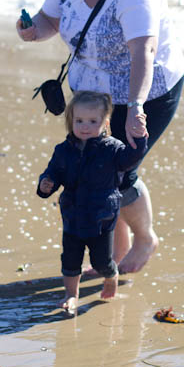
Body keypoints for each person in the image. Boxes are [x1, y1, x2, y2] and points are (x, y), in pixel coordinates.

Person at [17, 0, 184, 274]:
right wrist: (31, 32)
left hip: (147, 88)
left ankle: (145, 239)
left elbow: (143, 52)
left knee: (121, 170)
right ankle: (115, 249)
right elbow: (49, 21)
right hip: (94, 89)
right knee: (97, 165)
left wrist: (136, 108)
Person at [36, 90, 147, 312]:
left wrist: (140, 137)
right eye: (79, 121)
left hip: (101, 218)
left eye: (92, 121)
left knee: (101, 261)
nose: (85, 126)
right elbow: (53, 173)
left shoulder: (112, 149)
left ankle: (111, 275)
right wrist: (45, 184)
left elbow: (130, 159)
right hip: (72, 215)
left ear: (105, 123)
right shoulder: (63, 150)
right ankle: (71, 294)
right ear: (71, 120)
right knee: (69, 259)